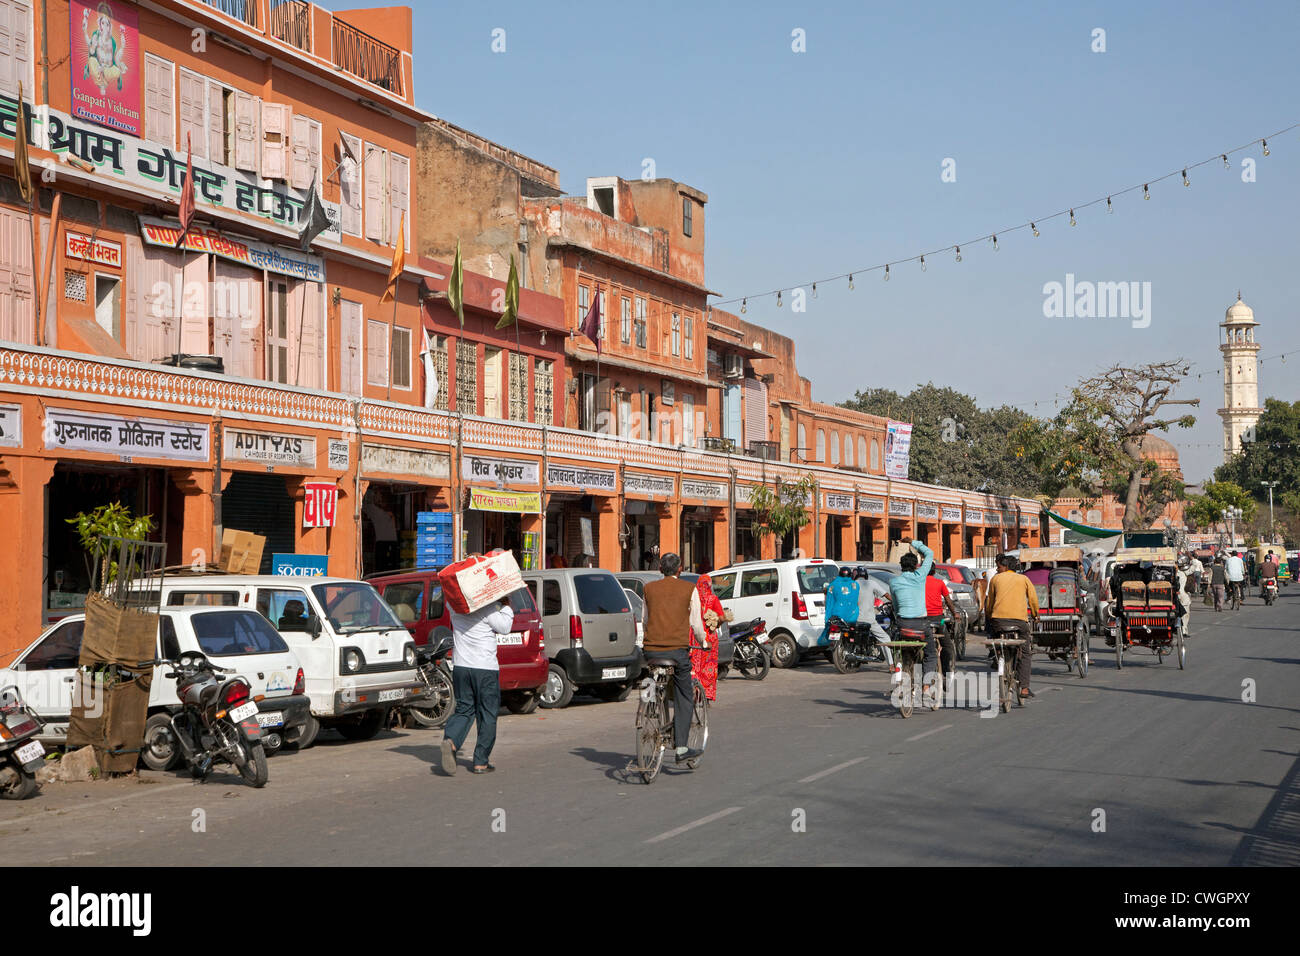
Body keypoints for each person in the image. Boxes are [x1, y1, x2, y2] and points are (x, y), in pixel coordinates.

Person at [441, 595, 514, 775]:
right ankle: (480, 761)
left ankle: (451, 741)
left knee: (464, 709)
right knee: (487, 712)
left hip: (461, 666)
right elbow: (505, 628)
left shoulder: (453, 604)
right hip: (485, 667)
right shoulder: (486, 606)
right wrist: (505, 605)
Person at [641, 552, 704, 763]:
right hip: (677, 652)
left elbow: (645, 620)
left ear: (660, 568)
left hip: (650, 651)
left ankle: (648, 706)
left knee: (650, 675)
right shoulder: (689, 589)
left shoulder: (649, 588)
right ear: (680, 569)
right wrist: (703, 641)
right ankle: (681, 748)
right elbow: (696, 624)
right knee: (685, 695)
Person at [983, 552, 1039, 701]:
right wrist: (1035, 615)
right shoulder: (1024, 579)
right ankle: (1025, 687)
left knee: (996, 640)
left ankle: (997, 658)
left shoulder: (995, 579)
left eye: (998, 566)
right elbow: (1033, 599)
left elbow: (989, 602)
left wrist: (989, 615)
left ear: (1005, 566)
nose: (997, 569)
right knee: (1026, 651)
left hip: (998, 622)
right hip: (1019, 622)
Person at [888, 540, 938, 700]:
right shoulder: (920, 576)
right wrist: (913, 542)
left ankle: (902, 672)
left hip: (903, 624)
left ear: (900, 566)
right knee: (931, 653)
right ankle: (925, 686)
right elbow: (930, 553)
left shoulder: (894, 582)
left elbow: (895, 606)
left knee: (903, 649)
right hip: (921, 624)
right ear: (916, 565)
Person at [689, 574, 726, 701]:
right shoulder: (713, 599)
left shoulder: (694, 598)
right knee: (709, 666)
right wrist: (714, 625)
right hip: (710, 638)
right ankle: (707, 694)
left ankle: (695, 692)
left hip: (695, 637)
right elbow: (722, 618)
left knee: (695, 666)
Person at [925, 565, 960, 690]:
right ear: (934, 572)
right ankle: (946, 673)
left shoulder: (918, 583)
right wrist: (955, 613)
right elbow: (948, 600)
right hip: (937, 620)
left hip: (922, 620)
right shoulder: (939, 582)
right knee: (947, 645)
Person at [820, 565, 861, 646]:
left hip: (837, 615)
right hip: (852, 616)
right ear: (850, 575)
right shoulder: (856, 585)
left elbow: (828, 599)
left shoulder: (833, 585)